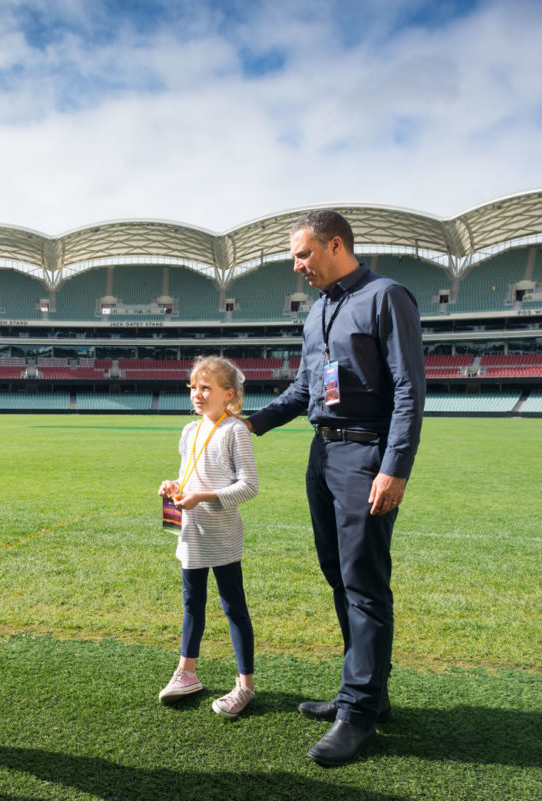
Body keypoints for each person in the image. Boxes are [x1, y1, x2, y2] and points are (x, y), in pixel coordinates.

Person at [243, 210, 424, 766]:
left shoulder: (386, 296)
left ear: (335, 244)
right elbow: (306, 386)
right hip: (323, 453)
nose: (297, 267)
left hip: (366, 455)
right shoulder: (319, 310)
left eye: (303, 255)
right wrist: (252, 423)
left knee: (364, 582)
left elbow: (408, 389)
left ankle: (358, 713)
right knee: (337, 575)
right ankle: (368, 692)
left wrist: (393, 468)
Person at [157, 356, 260, 719]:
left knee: (233, 607)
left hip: (222, 533)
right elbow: (188, 476)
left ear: (229, 395)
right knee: (191, 603)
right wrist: (174, 486)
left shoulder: (234, 431)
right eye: (193, 388)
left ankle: (245, 685)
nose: (197, 395)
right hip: (192, 533)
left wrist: (205, 497)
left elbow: (249, 486)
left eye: (206, 388)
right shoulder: (189, 431)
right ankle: (186, 673)